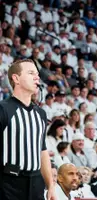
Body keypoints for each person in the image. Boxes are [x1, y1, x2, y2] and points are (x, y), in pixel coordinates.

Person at [0, 59, 56, 200]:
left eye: (37, 74)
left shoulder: (41, 114)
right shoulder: (3, 109)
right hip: (8, 182)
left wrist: (50, 186)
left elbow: (42, 151)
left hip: (36, 182)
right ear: (16, 78)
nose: (37, 77)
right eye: (31, 73)